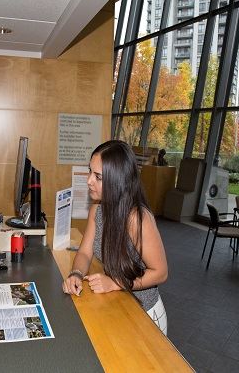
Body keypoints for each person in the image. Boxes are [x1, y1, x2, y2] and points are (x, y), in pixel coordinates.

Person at [62, 140, 168, 334]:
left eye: (98, 177)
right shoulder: (97, 209)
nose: (88, 180)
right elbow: (85, 252)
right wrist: (76, 273)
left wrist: (116, 282)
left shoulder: (137, 218)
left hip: (145, 312)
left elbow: (160, 272)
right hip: (120, 303)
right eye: (90, 172)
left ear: (117, 180)